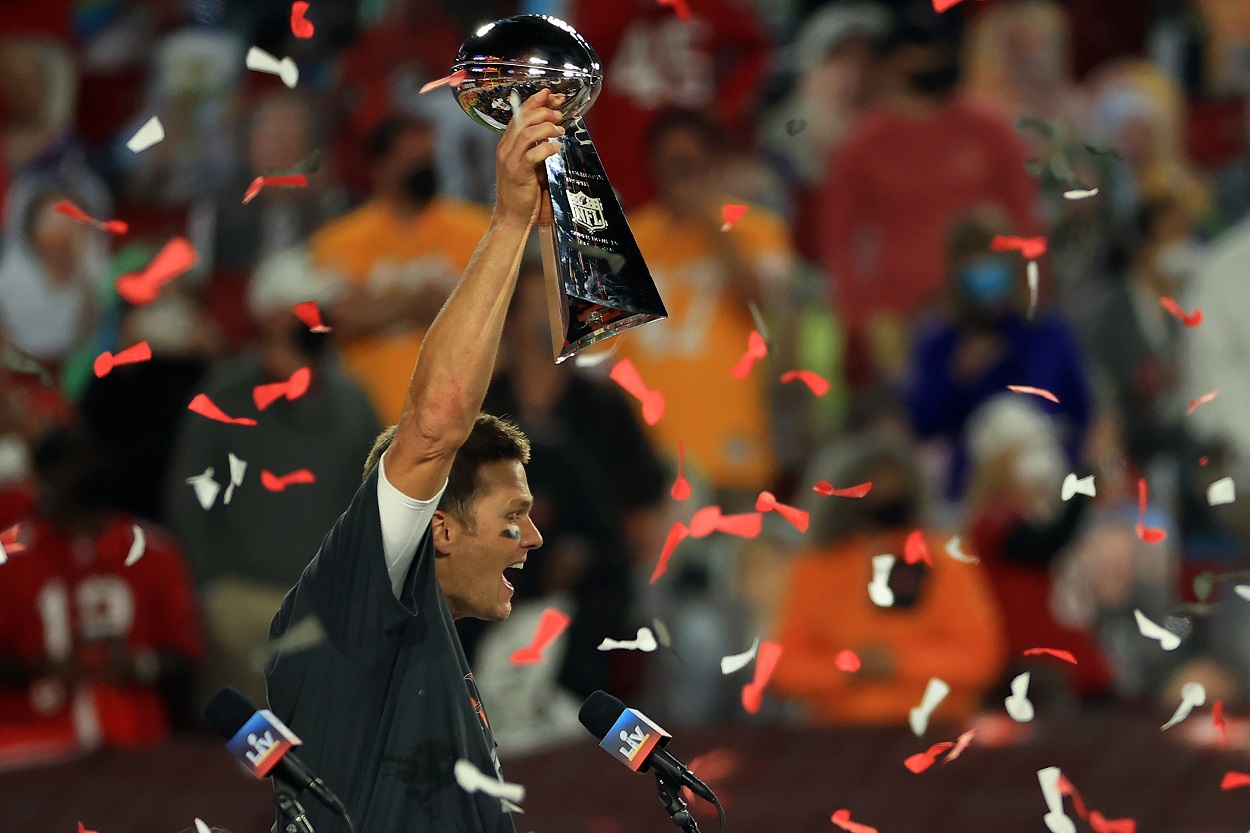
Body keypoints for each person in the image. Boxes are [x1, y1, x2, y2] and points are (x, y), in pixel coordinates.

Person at [264, 90, 562, 833]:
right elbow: (432, 428)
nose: (533, 539)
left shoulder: (429, 662)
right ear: (439, 529)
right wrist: (509, 220)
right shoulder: (356, 603)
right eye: (513, 517)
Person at [165, 248, 379, 705]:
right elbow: (190, 495)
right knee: (249, 742)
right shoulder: (224, 395)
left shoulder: (352, 400)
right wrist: (212, 585)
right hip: (240, 599)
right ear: (273, 317)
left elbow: (373, 499)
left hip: (325, 603)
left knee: (323, 736)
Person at [816, 10, 1038, 386]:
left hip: (987, 309)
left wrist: (1027, 304)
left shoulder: (991, 131)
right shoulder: (861, 147)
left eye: (940, 50)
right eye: (919, 52)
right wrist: (863, 318)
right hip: (900, 317)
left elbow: (1025, 221)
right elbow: (839, 242)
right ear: (891, 63)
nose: (931, 62)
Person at [618, 108, 795, 503]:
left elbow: (765, 305)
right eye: (672, 163)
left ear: (713, 162)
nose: (682, 175)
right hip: (650, 456)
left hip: (735, 448)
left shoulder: (759, 230)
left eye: (692, 163)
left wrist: (710, 222)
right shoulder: (626, 241)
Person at [0, 427, 203, 769]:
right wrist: (40, 667)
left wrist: (136, 664)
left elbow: (186, 656)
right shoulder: (10, 556)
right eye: (63, 470)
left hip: (134, 741)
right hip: (29, 743)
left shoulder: (152, 550)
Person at [770, 439, 1006, 726]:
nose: (884, 494)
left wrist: (899, 662)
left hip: (936, 731)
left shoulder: (946, 562)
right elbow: (785, 667)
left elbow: (981, 658)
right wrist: (846, 669)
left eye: (894, 484)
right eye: (871, 485)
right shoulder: (816, 567)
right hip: (837, 736)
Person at [310, 115, 491, 424]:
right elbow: (336, 321)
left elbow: (486, 317)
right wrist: (425, 301)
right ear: (380, 167)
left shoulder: (477, 228)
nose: (424, 167)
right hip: (364, 416)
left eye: (428, 157)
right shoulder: (339, 239)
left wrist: (376, 305)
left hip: (456, 414)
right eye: (411, 158)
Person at [907, 206, 1091, 502]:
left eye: (993, 258)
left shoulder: (1046, 331)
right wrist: (956, 376)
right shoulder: (941, 339)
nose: (986, 269)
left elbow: (1082, 411)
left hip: (1049, 485)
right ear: (956, 270)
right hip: (974, 492)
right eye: (974, 261)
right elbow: (921, 422)